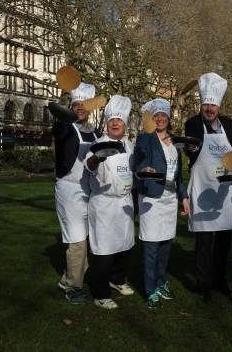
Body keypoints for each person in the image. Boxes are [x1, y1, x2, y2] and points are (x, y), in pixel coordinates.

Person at [184, 73, 232, 303]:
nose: (209, 108)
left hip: (224, 191)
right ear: (201, 105)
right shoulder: (193, 123)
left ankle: (219, 279)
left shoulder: (228, 124)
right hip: (202, 185)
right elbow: (189, 148)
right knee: (204, 239)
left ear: (219, 106)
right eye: (205, 104)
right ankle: (203, 283)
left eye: (213, 104)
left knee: (224, 238)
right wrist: (190, 150)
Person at [135, 98, 190, 309]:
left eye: (163, 116)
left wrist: (183, 198)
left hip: (169, 199)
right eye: (155, 116)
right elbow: (136, 163)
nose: (159, 119)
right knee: (151, 245)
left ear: (168, 119)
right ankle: (150, 290)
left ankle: (160, 281)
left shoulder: (175, 142)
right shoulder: (145, 139)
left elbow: (178, 177)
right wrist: (143, 169)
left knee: (166, 243)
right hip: (151, 197)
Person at [84, 95, 136, 310]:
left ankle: (118, 279)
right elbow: (89, 165)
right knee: (104, 251)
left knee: (124, 247)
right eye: (112, 120)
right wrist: (98, 157)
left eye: (120, 120)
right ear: (107, 124)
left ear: (125, 124)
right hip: (104, 205)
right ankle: (100, 293)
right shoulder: (97, 144)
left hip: (125, 203)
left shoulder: (130, 146)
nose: (116, 123)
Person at [53, 82, 100, 304]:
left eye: (84, 105)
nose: (80, 108)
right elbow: (60, 125)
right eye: (76, 105)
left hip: (89, 190)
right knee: (77, 240)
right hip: (69, 190)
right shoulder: (65, 127)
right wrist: (64, 113)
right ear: (70, 106)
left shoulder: (94, 132)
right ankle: (73, 287)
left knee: (88, 241)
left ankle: (66, 278)